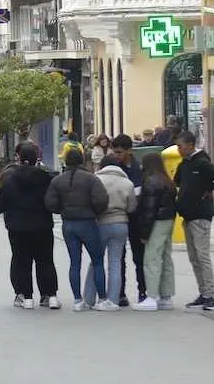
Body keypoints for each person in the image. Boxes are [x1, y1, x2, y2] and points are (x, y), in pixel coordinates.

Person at [0, 142, 60, 309]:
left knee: (21, 261)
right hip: (42, 226)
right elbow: (53, 201)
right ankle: (50, 295)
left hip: (18, 228)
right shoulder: (46, 178)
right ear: (36, 159)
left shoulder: (10, 180)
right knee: (45, 261)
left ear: (19, 158)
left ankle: (25, 296)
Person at [174, 131, 214, 310]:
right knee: (194, 258)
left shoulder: (202, 163)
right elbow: (177, 181)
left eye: (180, 146)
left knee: (202, 256)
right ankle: (203, 292)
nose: (178, 150)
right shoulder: (185, 164)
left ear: (190, 145)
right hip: (188, 215)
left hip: (201, 215)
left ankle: (210, 296)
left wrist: (209, 188)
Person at [45, 149, 108, 311]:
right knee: (97, 260)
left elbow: (50, 203)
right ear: (82, 160)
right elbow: (101, 199)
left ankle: (77, 300)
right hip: (87, 222)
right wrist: (95, 211)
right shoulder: (91, 179)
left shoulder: (58, 181)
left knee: (75, 262)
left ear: (66, 161)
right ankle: (101, 298)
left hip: (68, 223)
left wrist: (62, 209)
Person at [82, 155, 137, 311]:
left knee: (96, 261)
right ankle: (113, 300)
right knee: (115, 262)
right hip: (121, 223)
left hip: (100, 223)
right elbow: (132, 207)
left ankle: (89, 298)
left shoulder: (95, 180)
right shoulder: (127, 183)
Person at [132, 153, 179, 311]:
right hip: (169, 220)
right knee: (166, 258)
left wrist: (144, 234)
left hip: (156, 222)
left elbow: (149, 210)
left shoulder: (150, 182)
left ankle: (151, 296)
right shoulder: (167, 181)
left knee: (152, 258)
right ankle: (166, 296)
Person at [111, 133, 144, 306]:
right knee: (119, 257)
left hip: (136, 217)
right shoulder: (114, 167)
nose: (116, 156)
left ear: (130, 151)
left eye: (119, 152)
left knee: (139, 257)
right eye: (115, 152)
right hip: (120, 217)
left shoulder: (139, 168)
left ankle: (142, 292)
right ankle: (120, 293)